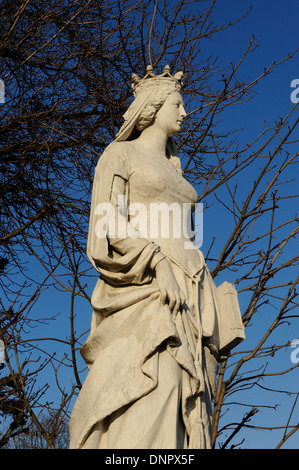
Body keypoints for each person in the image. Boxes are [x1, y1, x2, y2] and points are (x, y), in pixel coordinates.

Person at [69, 65, 221, 449]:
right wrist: (155, 262)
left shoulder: (180, 177)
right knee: (159, 381)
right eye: (178, 103)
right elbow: (109, 223)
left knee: (192, 403)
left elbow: (187, 237)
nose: (184, 113)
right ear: (153, 106)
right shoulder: (119, 154)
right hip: (145, 286)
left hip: (191, 291)